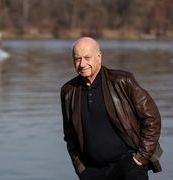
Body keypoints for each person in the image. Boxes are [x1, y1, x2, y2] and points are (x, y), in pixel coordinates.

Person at [60, 37, 163, 180]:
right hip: (92, 172)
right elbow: (70, 136)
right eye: (77, 59)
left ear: (99, 57)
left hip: (129, 167)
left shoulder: (122, 81)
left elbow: (151, 118)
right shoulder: (68, 91)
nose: (82, 64)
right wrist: (81, 169)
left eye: (87, 57)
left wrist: (140, 158)